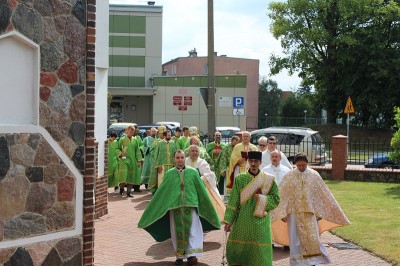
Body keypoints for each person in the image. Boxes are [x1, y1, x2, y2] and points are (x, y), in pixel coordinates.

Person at [138, 150, 221, 266]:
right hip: (175, 207)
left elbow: (200, 190)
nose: (180, 160)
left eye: (182, 157)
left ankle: (192, 255)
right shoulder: (169, 174)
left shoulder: (193, 172)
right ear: (174, 159)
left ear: (184, 158)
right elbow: (162, 192)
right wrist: (154, 207)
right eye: (177, 158)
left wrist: (206, 205)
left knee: (193, 230)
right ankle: (179, 256)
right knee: (176, 232)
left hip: (191, 205)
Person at [270, 153, 350, 266]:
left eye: (304, 165)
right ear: (295, 164)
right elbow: (282, 194)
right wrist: (282, 212)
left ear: (307, 163)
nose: (301, 167)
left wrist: (320, 210)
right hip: (293, 214)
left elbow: (322, 194)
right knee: (295, 239)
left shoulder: (314, 175)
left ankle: (311, 262)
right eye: (299, 165)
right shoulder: (289, 176)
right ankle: (297, 263)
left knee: (313, 238)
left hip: (310, 213)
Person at [223, 151, 280, 266]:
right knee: (240, 247)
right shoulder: (240, 178)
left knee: (259, 248)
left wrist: (262, 199)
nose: (253, 163)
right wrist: (228, 220)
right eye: (251, 161)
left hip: (261, 220)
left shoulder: (269, 179)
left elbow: (276, 199)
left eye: (256, 161)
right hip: (243, 218)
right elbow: (234, 200)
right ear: (248, 161)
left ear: (260, 162)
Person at [117, 125, 142, 197]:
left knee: (131, 176)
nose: (131, 133)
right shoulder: (122, 140)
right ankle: (121, 189)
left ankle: (129, 192)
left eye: (132, 132)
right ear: (126, 131)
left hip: (132, 161)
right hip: (124, 161)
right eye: (130, 132)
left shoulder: (135, 140)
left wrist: (139, 160)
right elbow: (117, 149)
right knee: (123, 175)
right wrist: (121, 153)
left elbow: (137, 151)